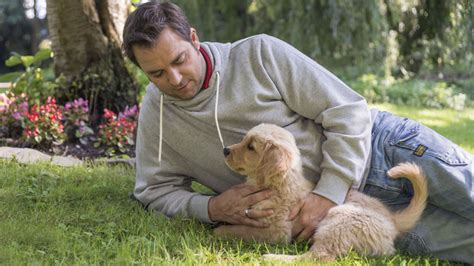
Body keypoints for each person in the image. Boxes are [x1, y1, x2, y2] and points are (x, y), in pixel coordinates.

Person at [122, 2, 474, 263]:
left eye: (179, 59)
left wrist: (328, 193)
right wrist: (210, 207)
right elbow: (154, 190)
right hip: (354, 221)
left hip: (382, 148)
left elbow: (346, 110)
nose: (175, 79)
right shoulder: (158, 114)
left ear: (194, 39)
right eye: (157, 74)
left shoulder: (258, 54)